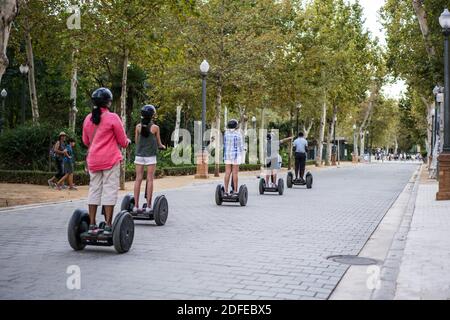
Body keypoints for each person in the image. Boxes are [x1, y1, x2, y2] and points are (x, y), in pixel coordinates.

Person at [82, 87, 130, 236]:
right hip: (110, 160)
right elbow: (122, 141)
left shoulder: (88, 119)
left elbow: (85, 141)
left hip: (94, 161)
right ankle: (108, 225)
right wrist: (128, 141)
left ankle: (91, 224)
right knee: (109, 190)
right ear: (108, 102)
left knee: (94, 189)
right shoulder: (113, 117)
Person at [133, 105, 166, 213]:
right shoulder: (155, 128)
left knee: (138, 179)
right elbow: (159, 143)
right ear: (152, 116)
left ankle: (136, 206)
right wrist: (162, 147)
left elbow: (137, 142)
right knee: (150, 179)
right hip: (150, 156)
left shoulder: (138, 127)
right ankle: (148, 206)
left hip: (139, 155)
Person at [223, 119, 244, 195]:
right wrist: (242, 153)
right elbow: (241, 146)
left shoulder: (226, 133)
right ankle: (235, 191)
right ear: (236, 126)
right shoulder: (238, 134)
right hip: (236, 156)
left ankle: (225, 191)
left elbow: (224, 144)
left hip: (227, 156)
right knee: (235, 173)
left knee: (227, 173)